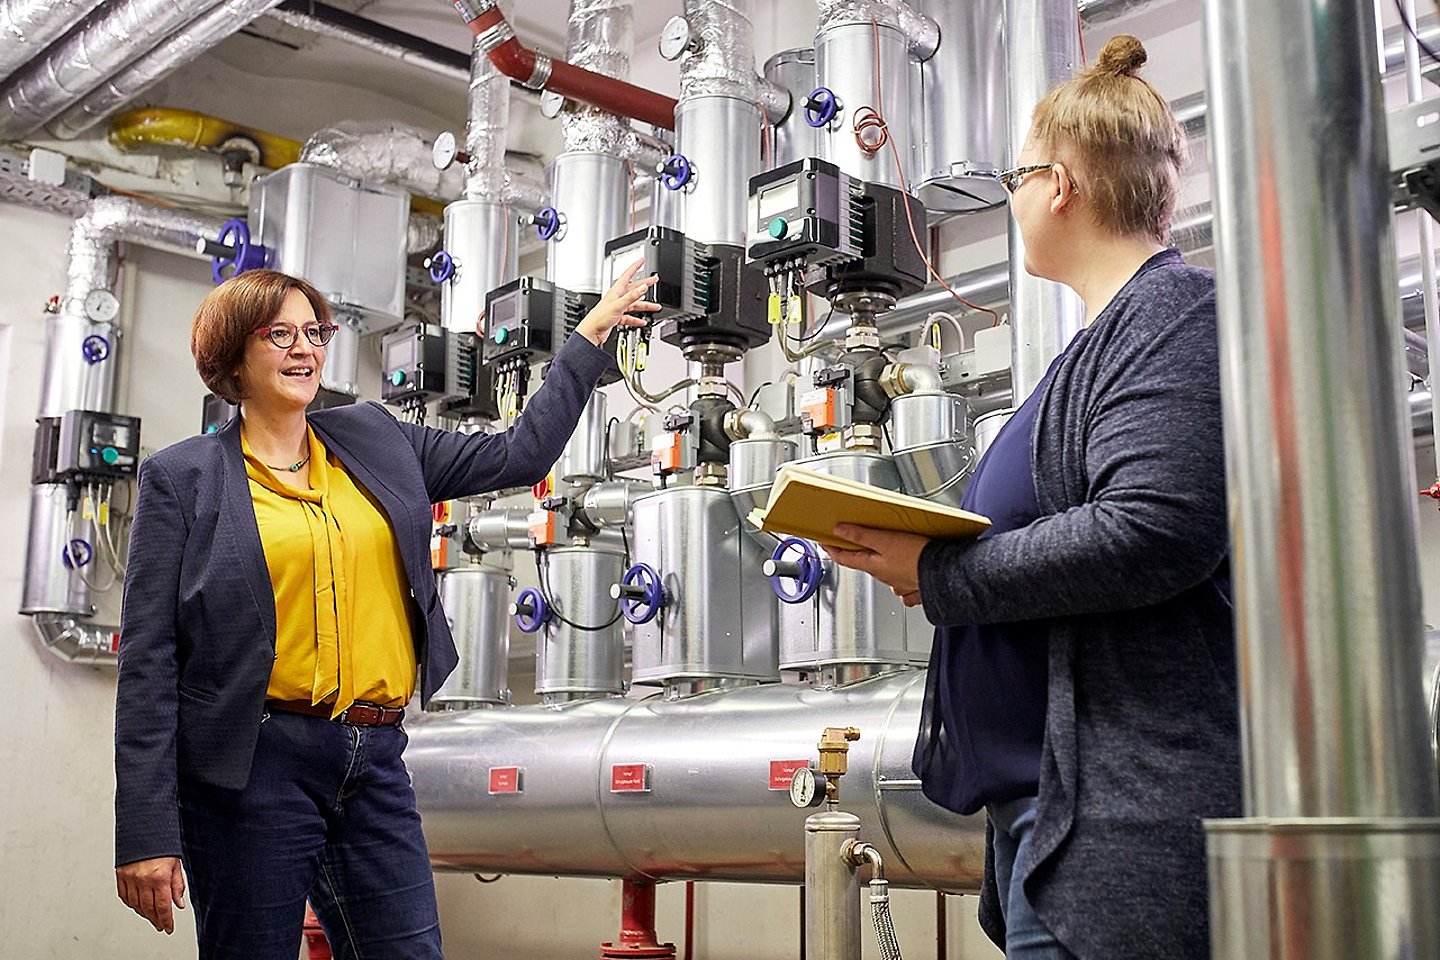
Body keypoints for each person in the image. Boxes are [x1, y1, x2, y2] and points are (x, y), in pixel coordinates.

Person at [827, 35, 1241, 960]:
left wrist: (940, 575)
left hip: (1126, 821)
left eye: (1017, 176)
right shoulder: (1096, 348)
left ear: (1060, 185)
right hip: (1054, 812)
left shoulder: (1175, 317)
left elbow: (1154, 530)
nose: (1011, 199)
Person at [113, 262, 659, 958]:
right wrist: (146, 831)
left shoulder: (375, 437)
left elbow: (520, 456)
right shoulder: (184, 477)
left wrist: (585, 340)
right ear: (232, 355)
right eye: (279, 333)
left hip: (373, 756)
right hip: (255, 764)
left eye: (315, 332)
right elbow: (150, 661)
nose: (305, 348)